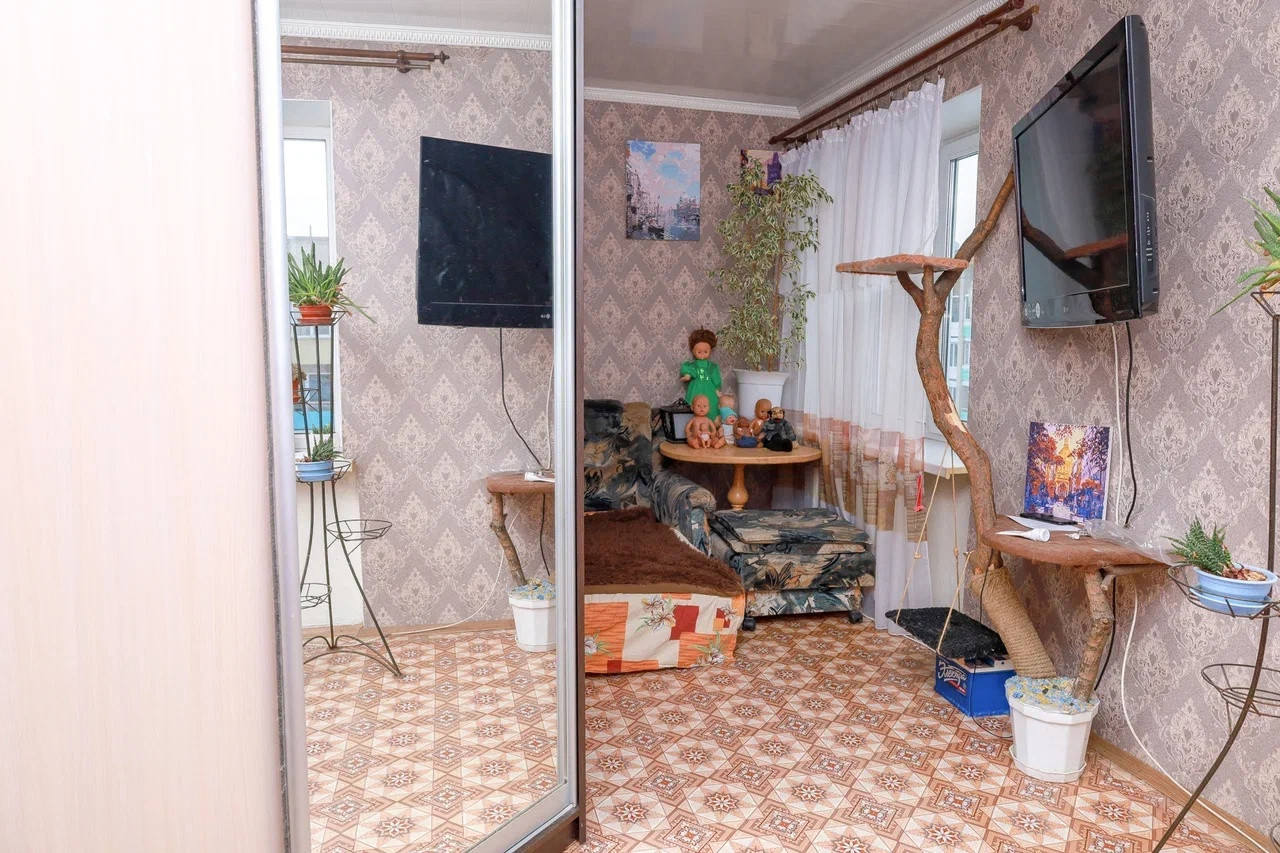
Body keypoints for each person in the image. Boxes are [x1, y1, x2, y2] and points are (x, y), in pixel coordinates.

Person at [679, 328, 722, 421]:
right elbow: (688, 370)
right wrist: (687, 375)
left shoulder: (712, 366)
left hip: (710, 389)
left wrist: (717, 388)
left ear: (710, 351)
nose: (702, 354)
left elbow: (716, 378)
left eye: (705, 352)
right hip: (695, 387)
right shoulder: (693, 365)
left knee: (711, 404)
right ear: (693, 351)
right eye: (699, 352)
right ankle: (693, 425)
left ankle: (711, 425)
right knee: (694, 403)